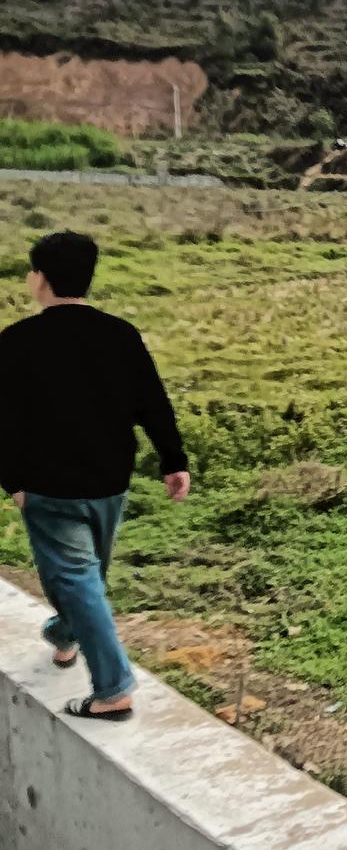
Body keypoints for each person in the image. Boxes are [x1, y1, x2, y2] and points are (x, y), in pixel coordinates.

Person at [0, 232, 190, 722]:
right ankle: (66, 636)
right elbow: (153, 402)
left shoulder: (16, 341)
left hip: (48, 486)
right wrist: (173, 460)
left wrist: (12, 480)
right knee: (86, 574)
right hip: (109, 481)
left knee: (78, 577)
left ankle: (113, 688)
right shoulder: (120, 334)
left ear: (39, 279)